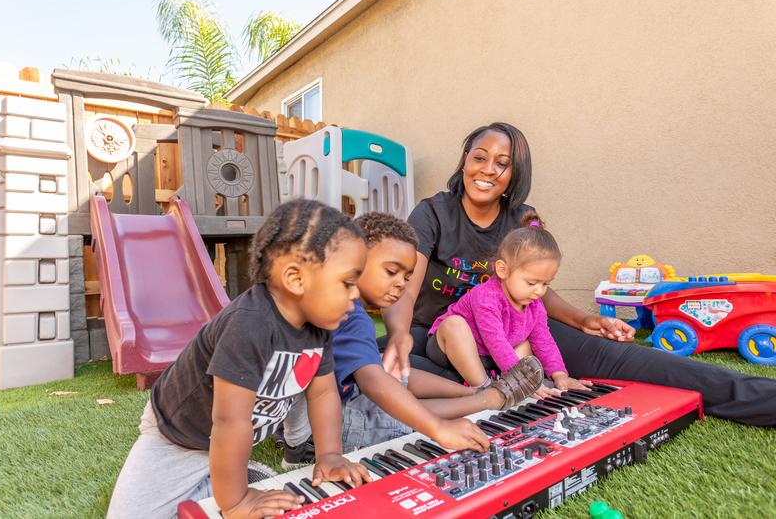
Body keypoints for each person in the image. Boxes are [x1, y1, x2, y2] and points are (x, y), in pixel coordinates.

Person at [381, 122, 776, 427]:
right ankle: (482, 392)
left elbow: (538, 289)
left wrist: (584, 319)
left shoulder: (521, 218)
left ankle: (763, 399)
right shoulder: (433, 212)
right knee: (364, 362)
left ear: (515, 174)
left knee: (628, 359)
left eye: (502, 163)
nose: (488, 170)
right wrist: (398, 334)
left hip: (514, 330)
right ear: (464, 159)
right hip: (439, 335)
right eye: (479, 157)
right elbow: (405, 289)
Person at [108, 199, 371, 519]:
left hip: (237, 430)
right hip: (182, 435)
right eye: (347, 282)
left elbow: (324, 392)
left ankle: (231, 474)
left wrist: (330, 455)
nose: (356, 294)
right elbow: (229, 422)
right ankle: (225, 482)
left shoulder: (318, 326)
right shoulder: (249, 323)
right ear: (296, 278)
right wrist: (235, 502)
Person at [281, 212, 543, 467]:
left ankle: (473, 391)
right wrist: (439, 428)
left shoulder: (341, 303)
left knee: (394, 372)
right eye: (391, 271)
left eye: (407, 277)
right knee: (395, 407)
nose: (401, 284)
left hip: (334, 401)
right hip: (320, 433)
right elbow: (373, 382)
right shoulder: (346, 313)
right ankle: (488, 400)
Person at [428, 210, 591, 398]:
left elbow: (543, 340)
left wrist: (560, 374)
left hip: (489, 357)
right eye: (531, 283)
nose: (539, 291)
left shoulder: (535, 304)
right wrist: (519, 379)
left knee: (526, 343)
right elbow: (496, 342)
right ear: (503, 270)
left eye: (546, 283)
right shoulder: (486, 297)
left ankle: (515, 386)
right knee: (454, 325)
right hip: (450, 347)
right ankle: (485, 389)